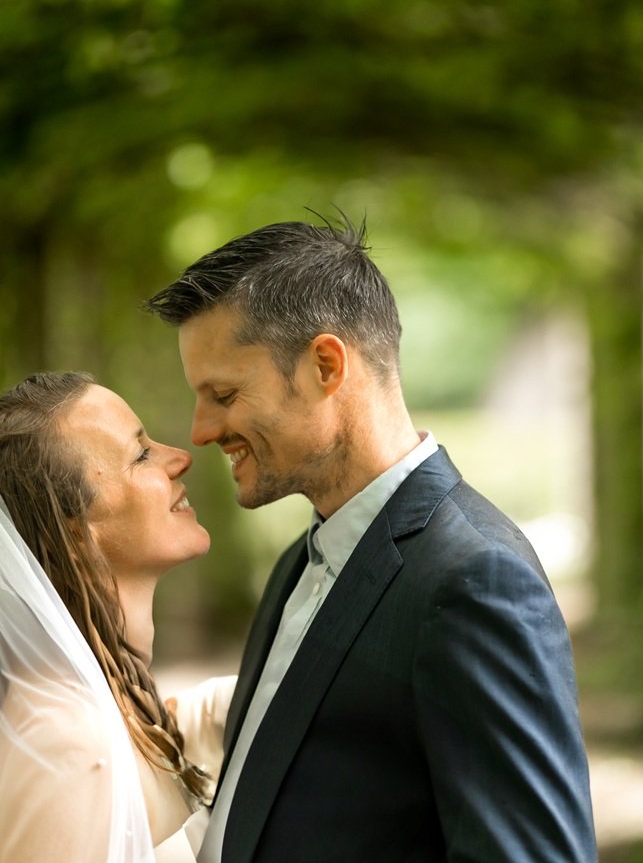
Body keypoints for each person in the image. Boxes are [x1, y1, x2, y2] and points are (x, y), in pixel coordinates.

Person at [145, 215, 598, 863]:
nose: (200, 431)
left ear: (326, 365)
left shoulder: (473, 581)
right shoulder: (299, 562)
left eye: (223, 393)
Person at [0, 372, 235, 862]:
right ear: (74, 532)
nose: (180, 457)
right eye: (141, 454)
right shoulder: (66, 746)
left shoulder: (102, 698)